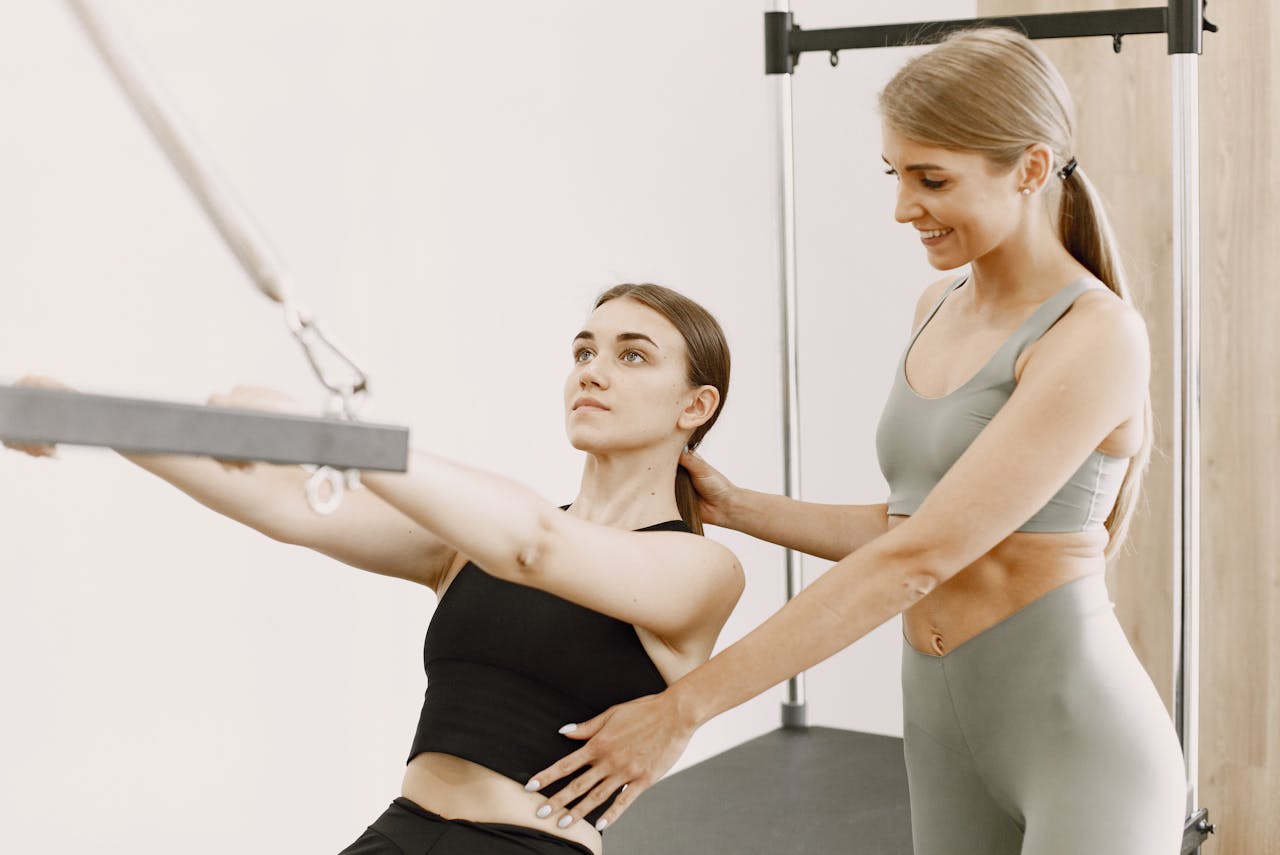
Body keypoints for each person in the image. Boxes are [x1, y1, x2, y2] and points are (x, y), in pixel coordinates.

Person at [525, 28, 1186, 855]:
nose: (904, 206)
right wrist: (739, 506)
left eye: (931, 178)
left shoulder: (1097, 336)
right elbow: (910, 525)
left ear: (1030, 167)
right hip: (944, 731)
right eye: (896, 174)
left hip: (1079, 743)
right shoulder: (937, 309)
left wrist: (685, 706)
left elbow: (920, 558)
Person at [6, 283, 745, 855]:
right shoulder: (469, 540)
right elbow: (290, 503)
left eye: (632, 354)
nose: (593, 371)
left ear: (695, 404)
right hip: (396, 833)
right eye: (584, 351)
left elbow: (537, 545)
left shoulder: (699, 567)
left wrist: (327, 434)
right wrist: (89, 417)